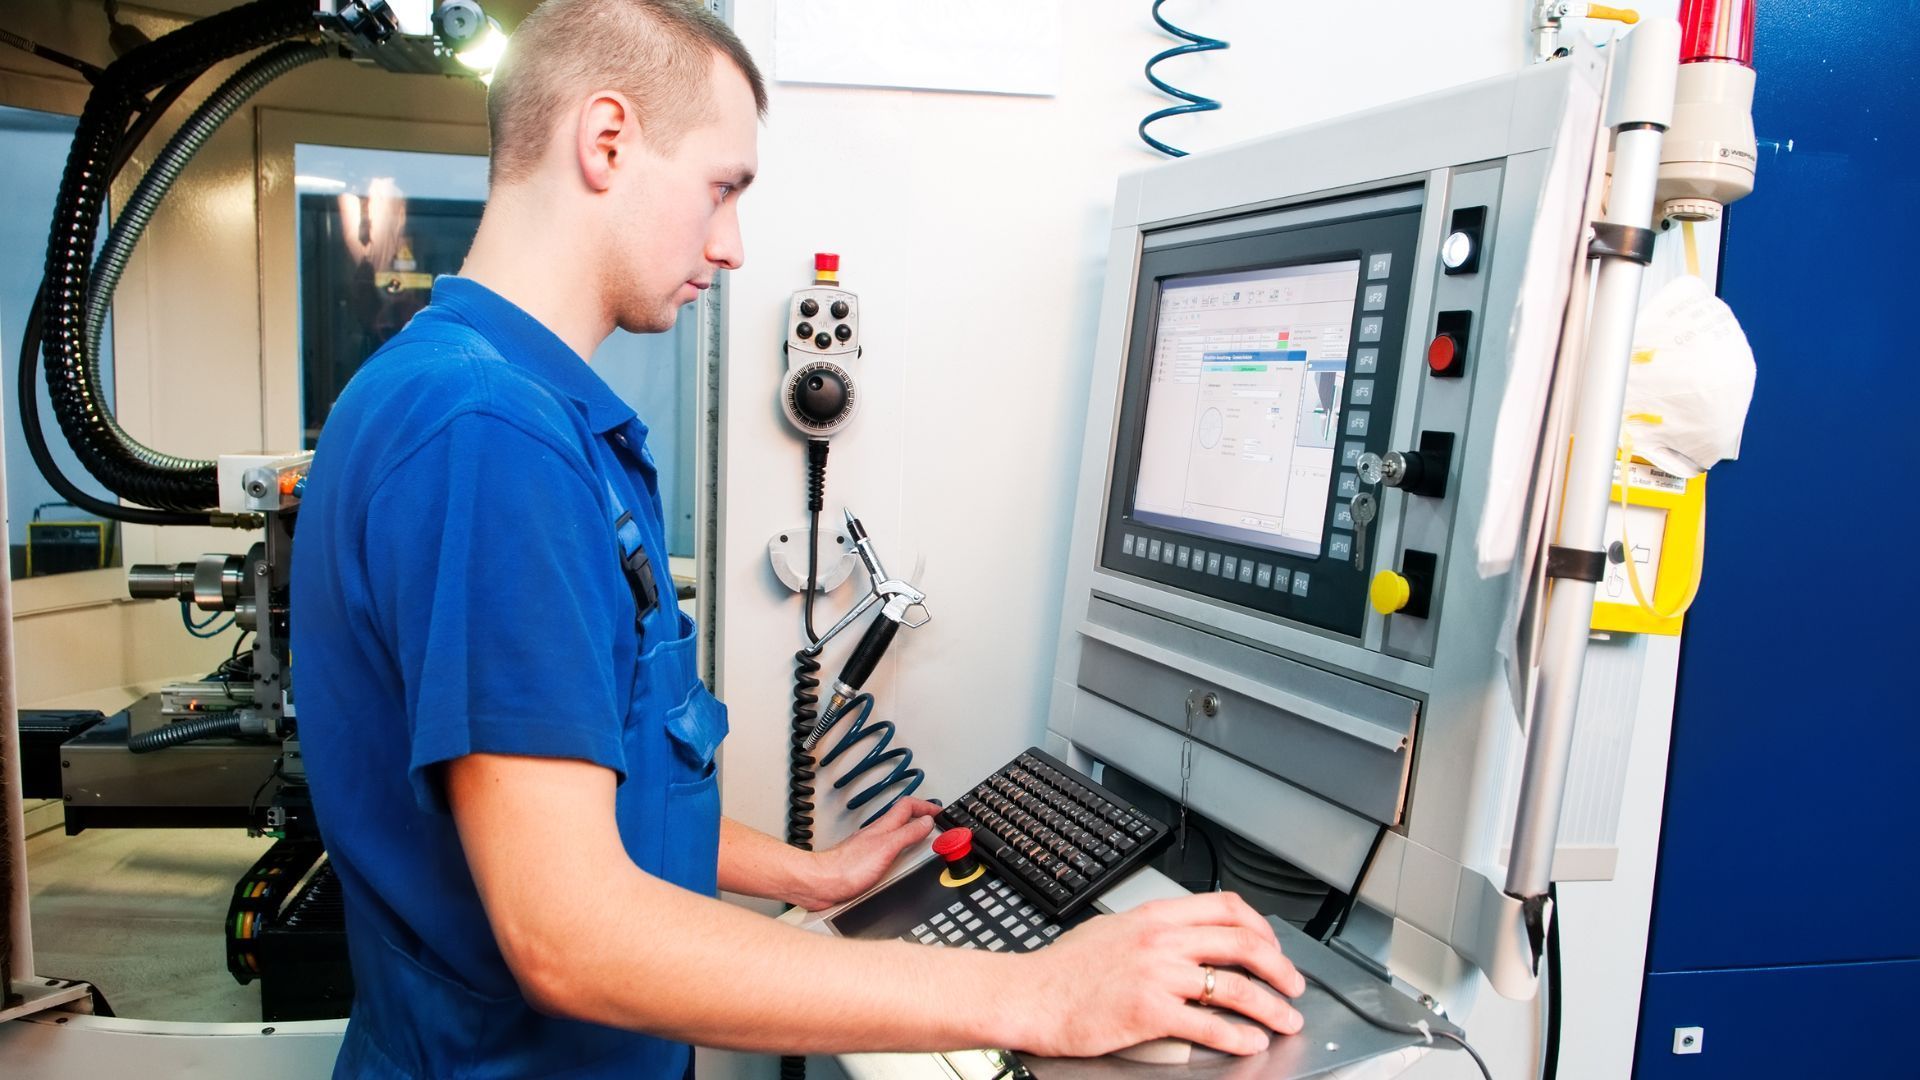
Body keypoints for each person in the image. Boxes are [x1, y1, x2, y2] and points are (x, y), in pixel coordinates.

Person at [292, 1, 1306, 1076]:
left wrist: (806, 875)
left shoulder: (470, 398)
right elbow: (568, 935)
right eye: (723, 188)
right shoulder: (491, 439)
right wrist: (1038, 992)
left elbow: (572, 796)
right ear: (605, 141)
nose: (731, 246)